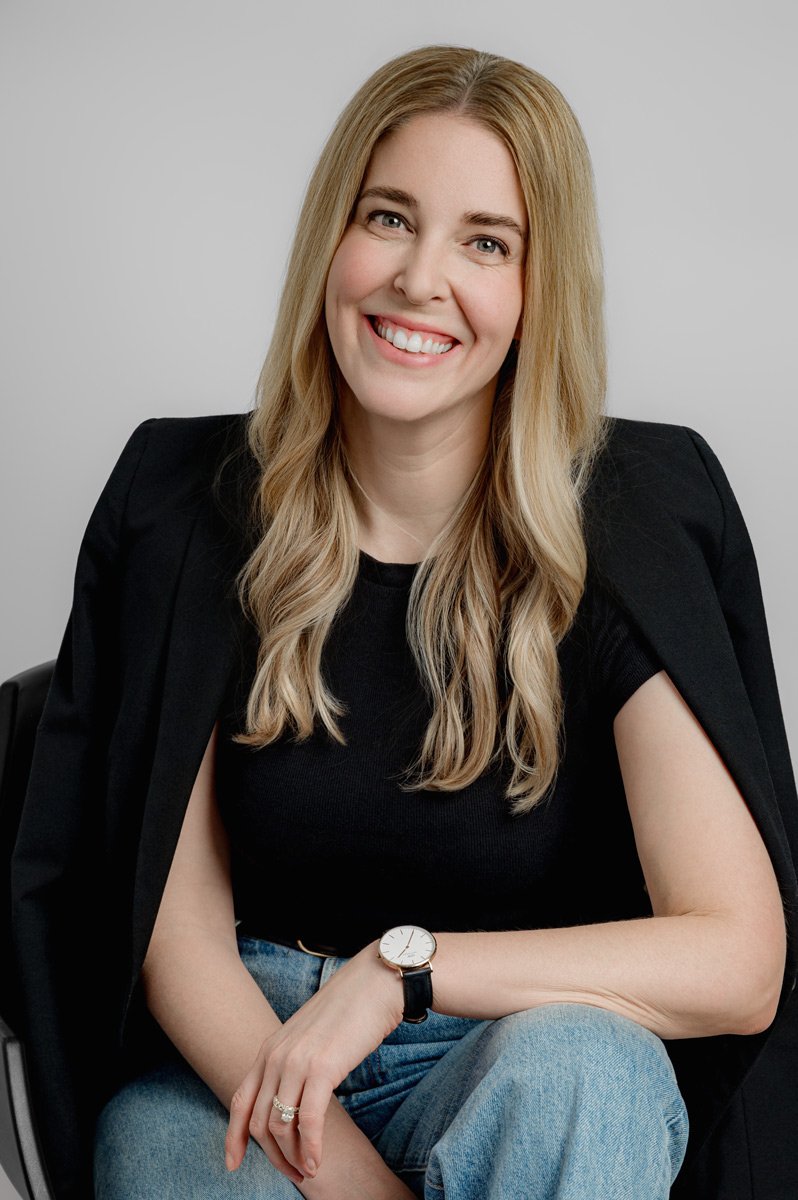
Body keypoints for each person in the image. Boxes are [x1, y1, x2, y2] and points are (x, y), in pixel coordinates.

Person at [10, 44, 798, 1200]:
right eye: (389, 217)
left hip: (511, 1040)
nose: (420, 278)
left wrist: (403, 972)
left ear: (538, 292)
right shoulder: (184, 502)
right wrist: (349, 1172)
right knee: (164, 1154)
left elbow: (737, 959)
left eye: (486, 241)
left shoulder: (634, 516)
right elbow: (176, 933)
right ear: (333, 236)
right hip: (253, 1049)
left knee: (590, 1071)